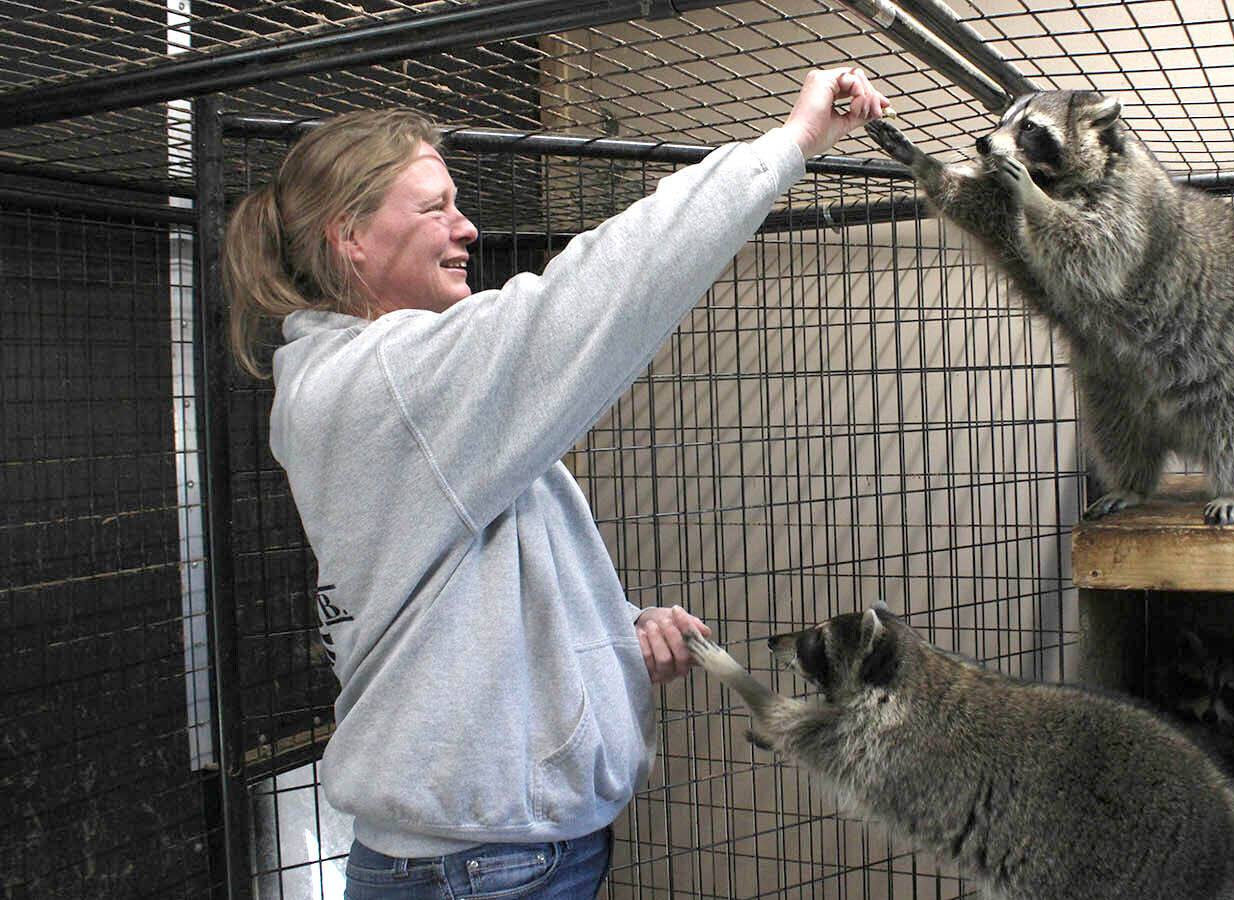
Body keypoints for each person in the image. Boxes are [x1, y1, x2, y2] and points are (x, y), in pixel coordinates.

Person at [221, 68, 891, 898]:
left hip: (486, 850)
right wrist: (791, 145)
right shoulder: (391, 382)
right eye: (434, 207)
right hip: (481, 862)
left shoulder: (388, 391)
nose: (465, 227)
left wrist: (617, 633)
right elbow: (589, 296)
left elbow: (466, 590)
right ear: (348, 236)